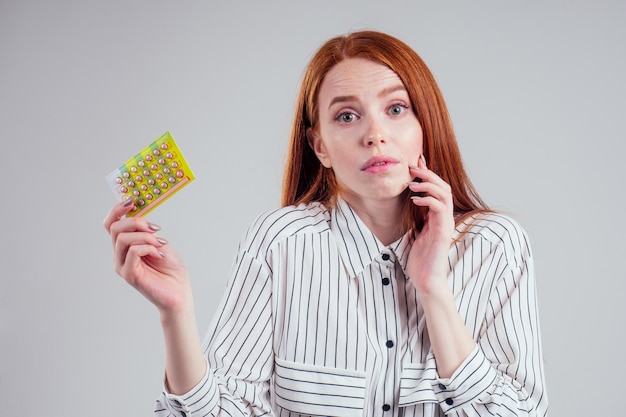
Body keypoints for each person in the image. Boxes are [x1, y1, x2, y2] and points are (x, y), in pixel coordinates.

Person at [104, 30, 548, 417]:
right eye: (347, 116)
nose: (374, 133)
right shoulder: (279, 244)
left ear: (425, 126)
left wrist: (433, 289)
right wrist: (175, 313)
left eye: (396, 109)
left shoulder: (495, 245)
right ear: (320, 148)